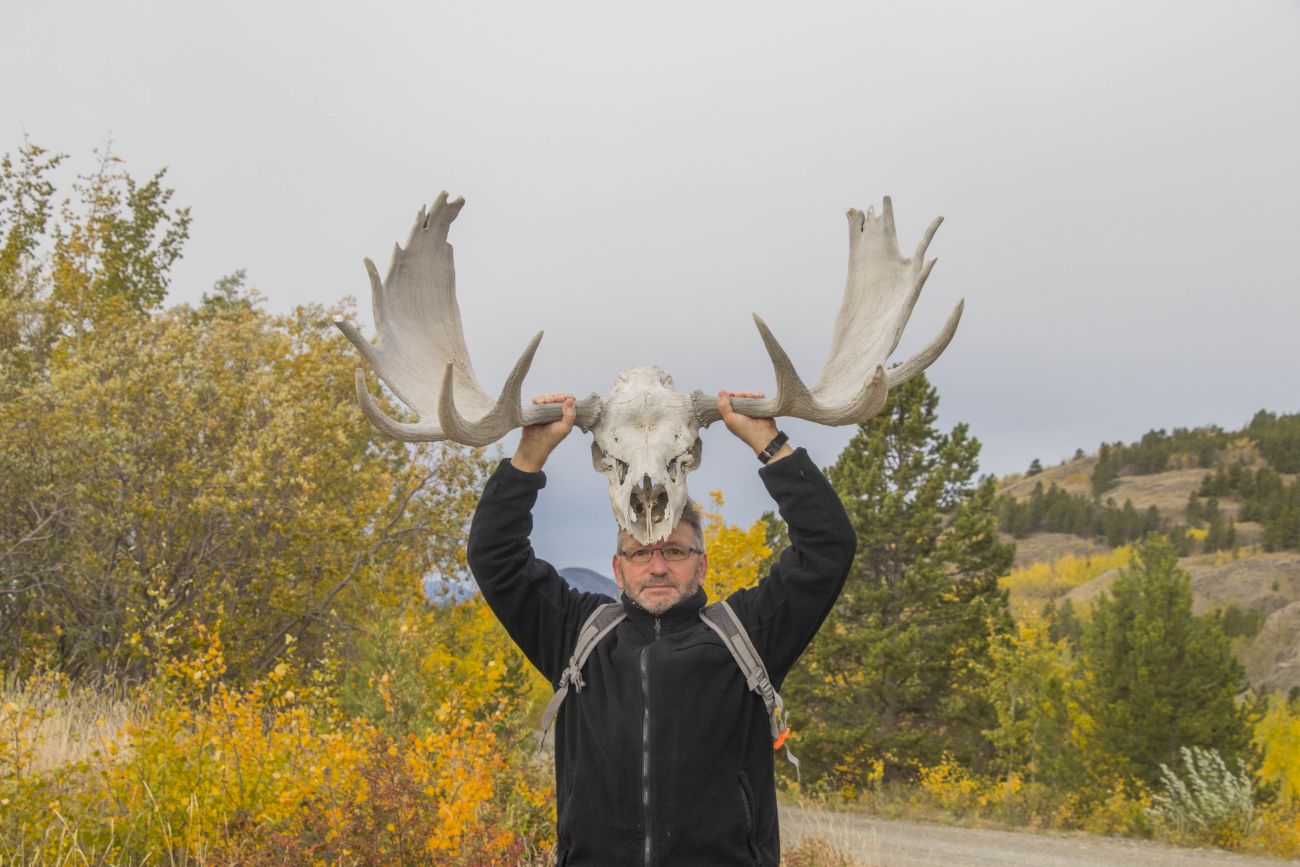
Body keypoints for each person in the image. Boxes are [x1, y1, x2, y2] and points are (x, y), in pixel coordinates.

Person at [466, 390, 856, 866]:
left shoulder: (746, 636)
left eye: (674, 551)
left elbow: (827, 548)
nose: (656, 567)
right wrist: (531, 454)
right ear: (617, 566)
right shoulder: (577, 635)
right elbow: (495, 556)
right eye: (640, 551)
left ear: (702, 565)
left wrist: (768, 442)